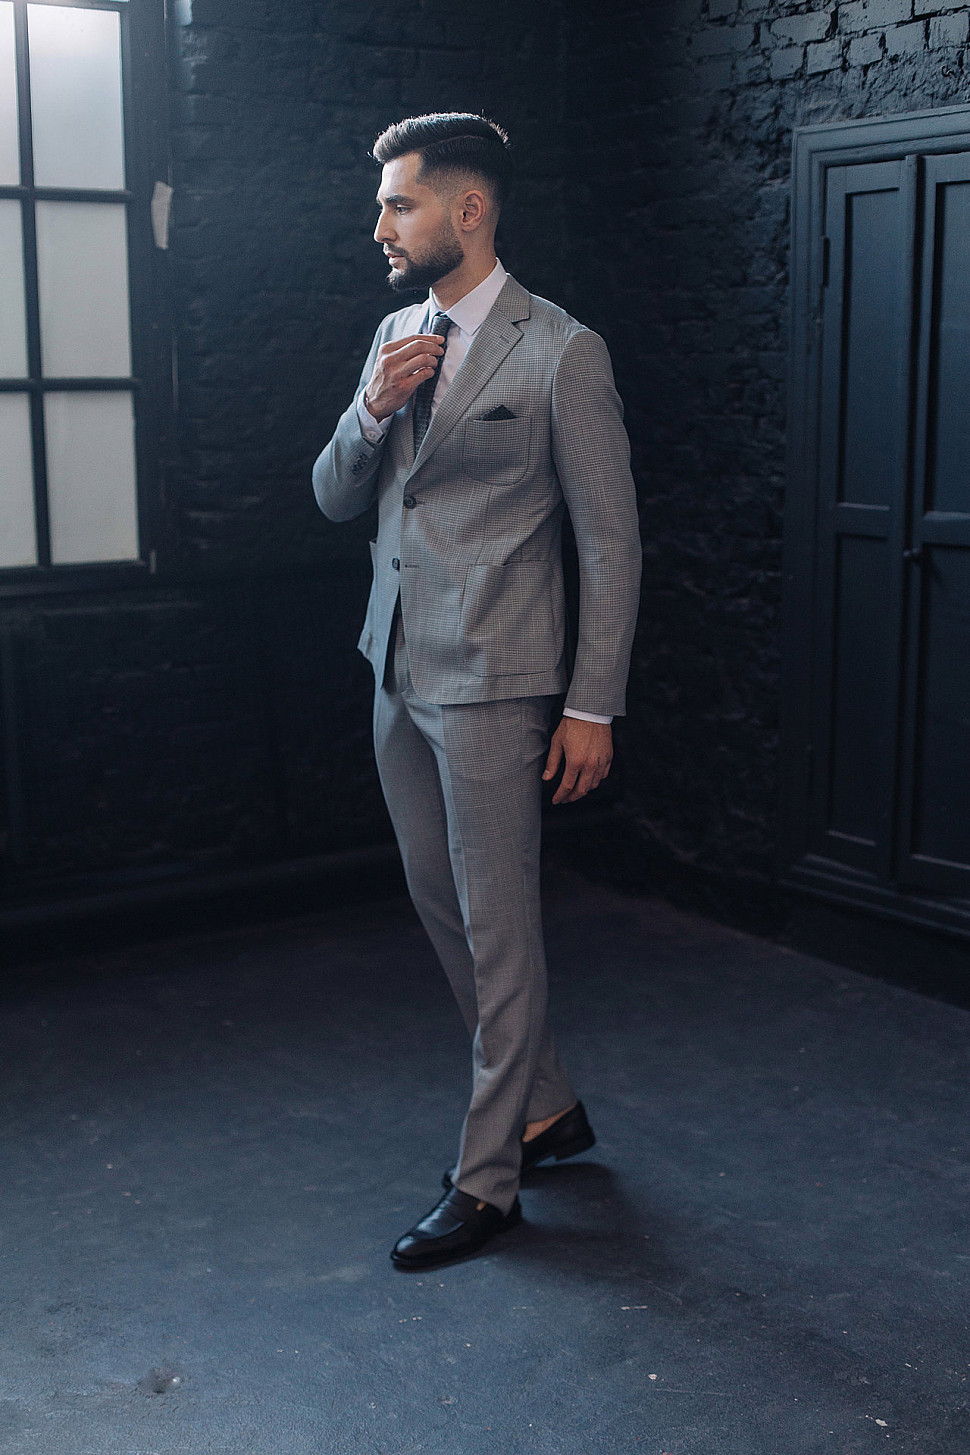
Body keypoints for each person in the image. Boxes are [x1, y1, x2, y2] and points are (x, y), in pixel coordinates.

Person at [312, 112, 641, 1270]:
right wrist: (369, 411)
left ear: (469, 209)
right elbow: (335, 498)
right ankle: (546, 1109)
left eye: (398, 204)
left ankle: (489, 1178)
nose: (380, 227)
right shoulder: (394, 333)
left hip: (498, 679)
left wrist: (591, 705)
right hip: (395, 665)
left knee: (501, 928)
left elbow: (610, 544)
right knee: (437, 899)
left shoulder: (562, 352)